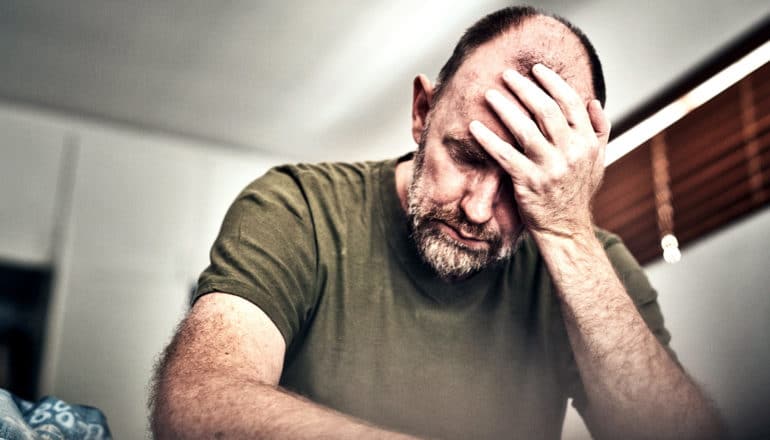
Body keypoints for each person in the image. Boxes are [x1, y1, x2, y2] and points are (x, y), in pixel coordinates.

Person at [150, 6, 725, 439]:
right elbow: (196, 399)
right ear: (423, 112)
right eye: (468, 158)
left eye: (526, 185)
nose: (478, 210)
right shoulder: (298, 206)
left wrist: (566, 229)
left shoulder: (589, 259)